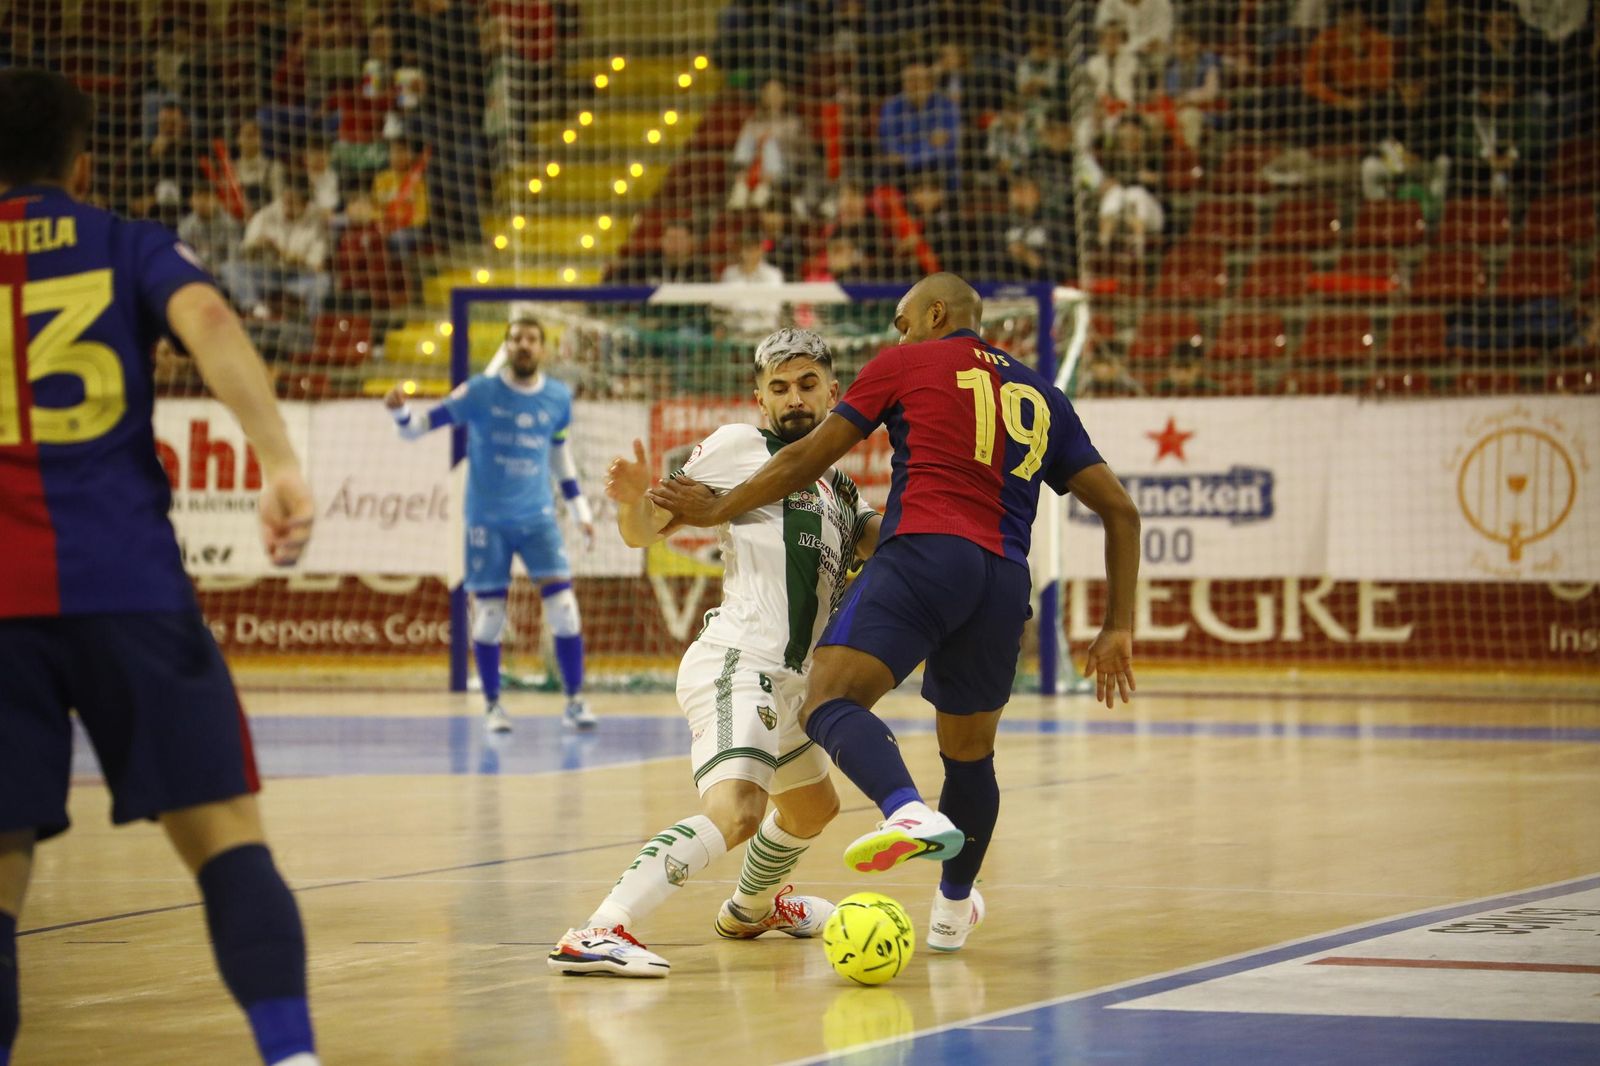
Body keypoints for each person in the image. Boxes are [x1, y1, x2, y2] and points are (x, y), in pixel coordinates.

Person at [649, 273, 1140, 954]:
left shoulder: (908, 363)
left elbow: (807, 457)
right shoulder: (1043, 394)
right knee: (971, 756)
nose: (897, 333)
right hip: (1003, 579)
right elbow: (1121, 510)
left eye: (904, 321)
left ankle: (905, 810)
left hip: (924, 554)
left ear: (936, 314)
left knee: (827, 699)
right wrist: (1117, 626)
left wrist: (717, 509)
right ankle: (952, 913)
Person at [0, 68, 318, 1066]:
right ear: (82, 167)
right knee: (226, 839)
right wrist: (278, 463)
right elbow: (212, 322)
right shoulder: (121, 240)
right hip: (128, 582)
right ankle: (292, 1056)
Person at [549, 328, 881, 977]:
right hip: (740, 661)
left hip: (793, 683)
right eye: (779, 387)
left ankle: (751, 909)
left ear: (833, 393)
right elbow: (646, 531)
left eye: (807, 384)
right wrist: (636, 501)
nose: (793, 398)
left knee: (814, 807)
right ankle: (599, 929)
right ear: (760, 399)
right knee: (737, 813)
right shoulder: (739, 447)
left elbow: (888, 539)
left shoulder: (838, 488)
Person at [383, 317, 597, 732]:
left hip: (537, 519)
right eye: (516, 339)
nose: (523, 345)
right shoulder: (480, 392)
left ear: (543, 349)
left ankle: (574, 701)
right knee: (490, 617)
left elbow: (559, 456)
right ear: (507, 347)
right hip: (487, 521)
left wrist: (580, 511)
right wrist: (402, 414)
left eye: (531, 339)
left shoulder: (558, 397)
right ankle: (493, 706)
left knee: (565, 611)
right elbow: (417, 430)